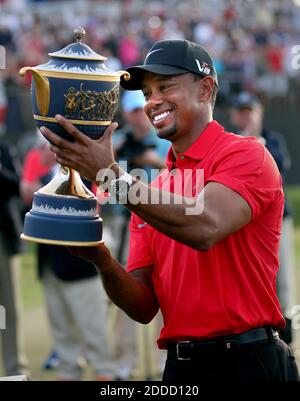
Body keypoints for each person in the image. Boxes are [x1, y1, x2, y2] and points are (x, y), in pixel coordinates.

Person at [41, 39, 299, 382]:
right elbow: (143, 306)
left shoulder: (247, 155)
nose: (153, 101)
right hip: (180, 368)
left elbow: (205, 226)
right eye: (148, 93)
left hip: (249, 363)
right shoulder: (150, 191)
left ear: (205, 88)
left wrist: (109, 176)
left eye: (165, 86)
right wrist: (100, 258)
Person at [21, 134, 115, 381]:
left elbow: (96, 208)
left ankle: (105, 373)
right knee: (62, 337)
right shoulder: (43, 179)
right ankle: (68, 371)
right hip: (50, 267)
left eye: (48, 146)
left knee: (95, 333)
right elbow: (26, 201)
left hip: (81, 268)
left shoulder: (86, 176)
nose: (45, 152)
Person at [108, 90, 168, 380]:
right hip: (128, 224)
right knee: (127, 291)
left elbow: (180, 177)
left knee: (164, 294)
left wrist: (153, 161)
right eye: (131, 111)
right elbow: (109, 188)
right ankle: (125, 363)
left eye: (139, 110)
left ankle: (161, 365)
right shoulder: (121, 144)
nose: (136, 116)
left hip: (164, 223)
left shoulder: (165, 139)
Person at [229, 92, 296, 345]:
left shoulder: (273, 140)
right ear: (235, 115)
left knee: (283, 278)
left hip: (277, 218)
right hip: (244, 219)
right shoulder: (231, 142)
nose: (246, 116)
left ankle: (287, 339)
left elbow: (280, 165)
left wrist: (258, 145)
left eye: (250, 110)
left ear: (259, 113)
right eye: (242, 111)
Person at [0, 140, 28, 377]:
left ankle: (13, 369)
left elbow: (16, 184)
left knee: (5, 307)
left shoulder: (3, 146)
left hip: (1, 236)